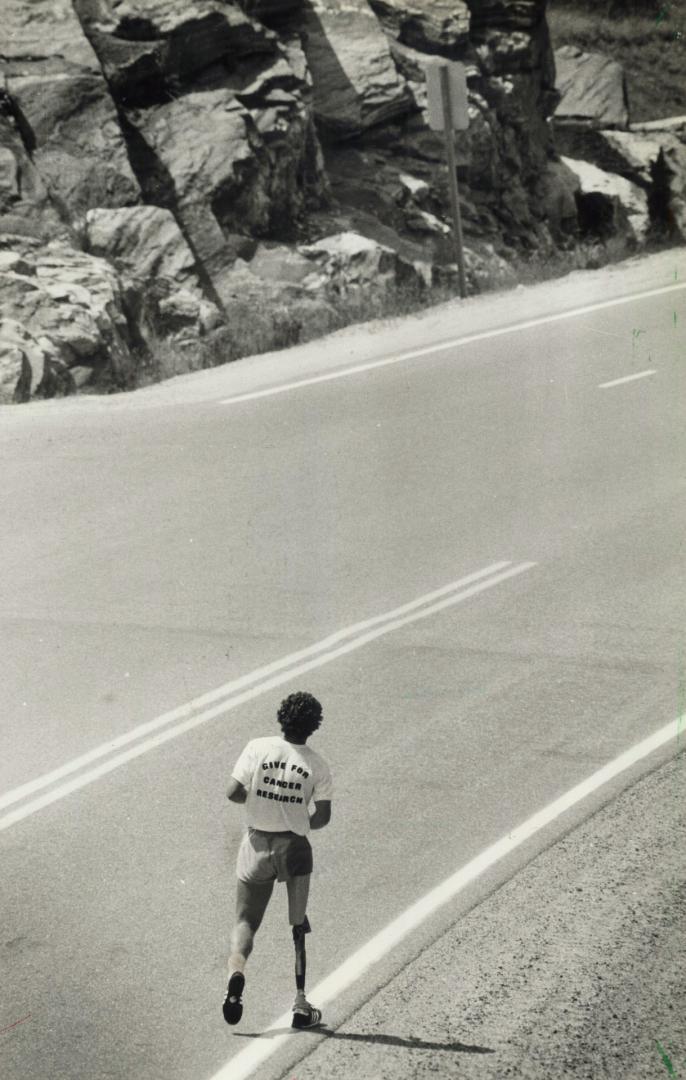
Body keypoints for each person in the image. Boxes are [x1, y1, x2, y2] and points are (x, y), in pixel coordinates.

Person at [223, 690, 333, 1029]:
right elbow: (322, 817)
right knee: (298, 925)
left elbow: (233, 792)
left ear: (281, 717)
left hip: (255, 844)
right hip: (295, 849)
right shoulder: (317, 764)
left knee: (245, 921)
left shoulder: (258, 747)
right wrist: (296, 820)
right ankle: (300, 1003)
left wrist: (260, 804)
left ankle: (237, 972)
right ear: (313, 726)